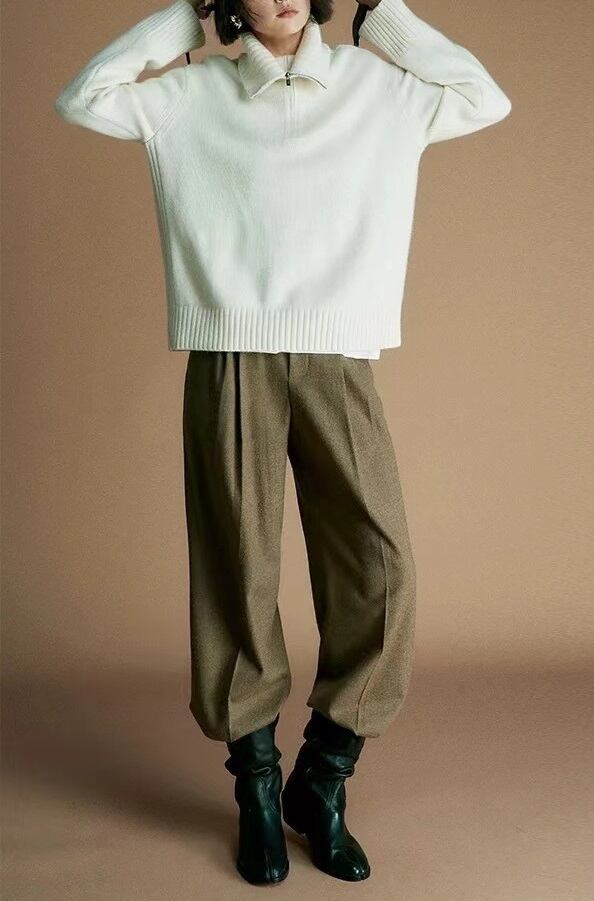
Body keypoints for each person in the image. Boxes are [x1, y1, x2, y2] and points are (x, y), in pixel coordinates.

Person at [54, 0, 511, 885]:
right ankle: (258, 790)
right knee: (239, 569)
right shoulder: (193, 97)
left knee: (381, 568)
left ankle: (323, 775)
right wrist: (183, 22)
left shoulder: (379, 89)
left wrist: (384, 18)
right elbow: (84, 97)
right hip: (231, 356)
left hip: (341, 358)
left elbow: (485, 97)